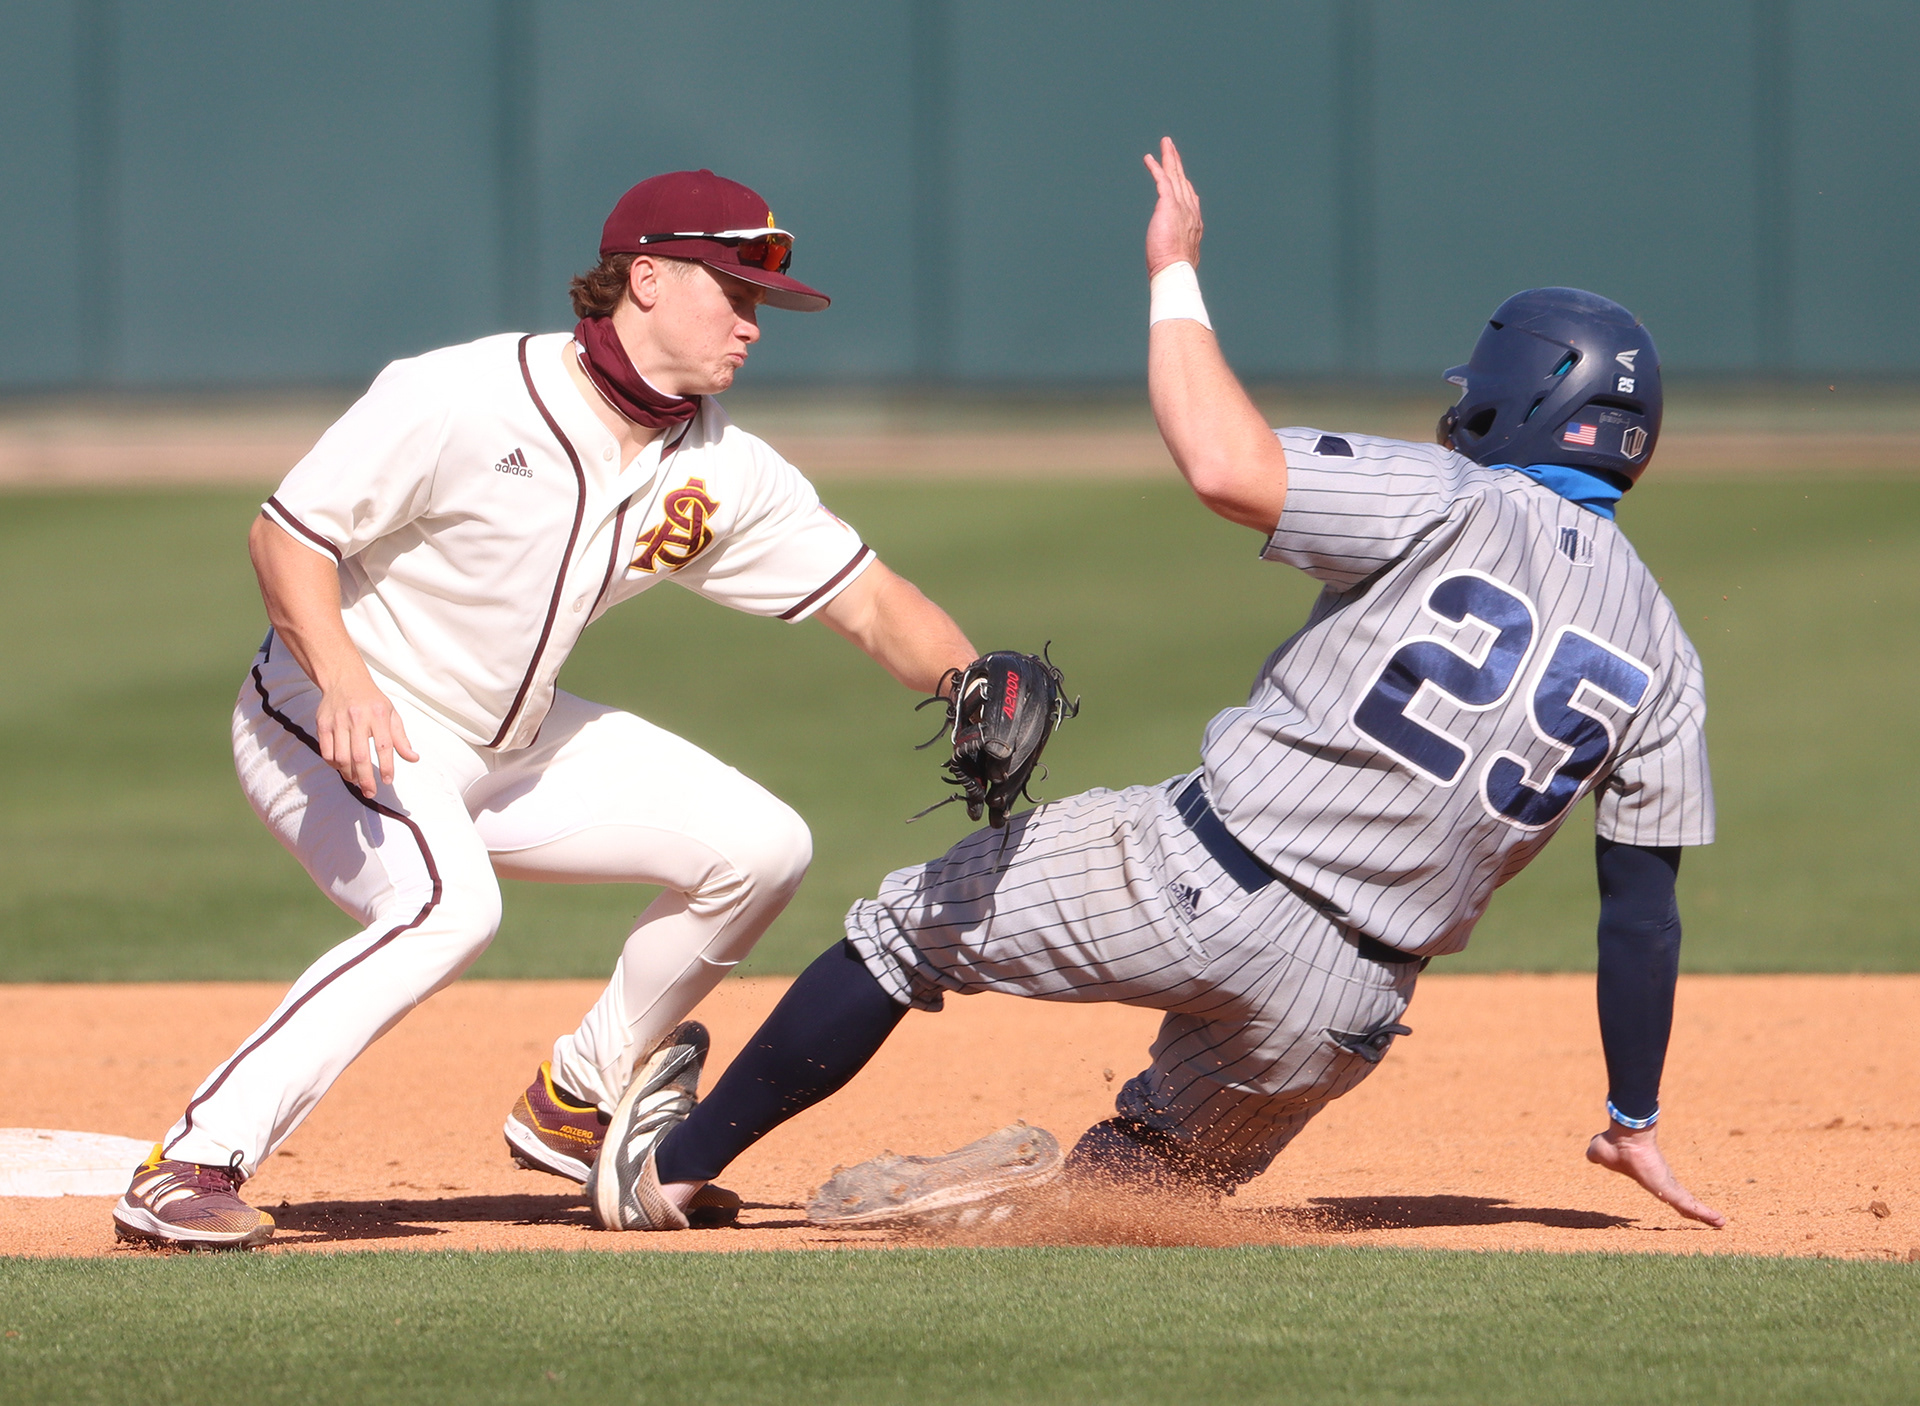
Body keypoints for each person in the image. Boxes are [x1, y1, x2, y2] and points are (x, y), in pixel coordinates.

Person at [607, 138, 1725, 1232]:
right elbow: (1641, 914)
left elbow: (1225, 464)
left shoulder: (1450, 497)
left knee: (904, 933)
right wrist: (1633, 1111)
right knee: (1139, 1191)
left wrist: (1173, 269)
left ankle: (666, 1172)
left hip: (1192, 875)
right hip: (1347, 1002)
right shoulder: (1668, 657)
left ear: (1513, 397)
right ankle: (1017, 1213)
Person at [112, 170, 977, 1249]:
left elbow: (871, 601)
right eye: (735, 294)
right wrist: (338, 672)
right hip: (324, 710)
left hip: (505, 739)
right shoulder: (465, 395)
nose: (752, 326)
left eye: (761, 305)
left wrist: (967, 677)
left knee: (761, 846)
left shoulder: (719, 466)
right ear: (648, 278)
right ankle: (188, 1161)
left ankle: (576, 1097)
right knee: (446, 906)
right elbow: (287, 535)